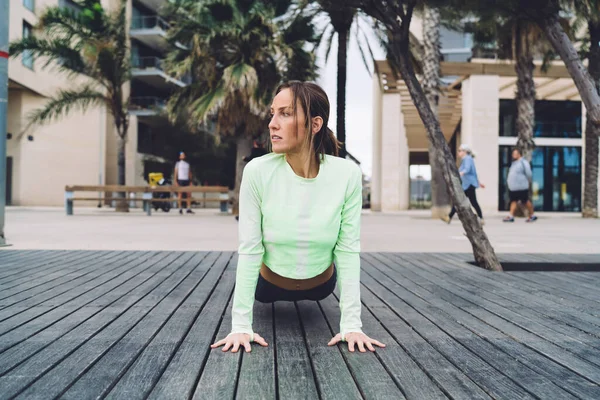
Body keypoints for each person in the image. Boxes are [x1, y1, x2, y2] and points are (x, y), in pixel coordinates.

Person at [211, 81, 385, 354]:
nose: (272, 124)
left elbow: (348, 249)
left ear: (315, 125)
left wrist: (352, 325)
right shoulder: (257, 171)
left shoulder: (346, 174)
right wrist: (240, 326)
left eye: (286, 113)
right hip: (266, 285)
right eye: (272, 113)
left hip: (321, 285)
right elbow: (250, 249)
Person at [442, 144, 485, 225]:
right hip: (468, 184)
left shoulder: (468, 159)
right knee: (470, 201)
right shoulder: (467, 159)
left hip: (468, 185)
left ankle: (449, 217)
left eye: (460, 150)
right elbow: (474, 173)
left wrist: (461, 173)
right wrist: (479, 183)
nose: (458, 152)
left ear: (465, 151)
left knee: (463, 201)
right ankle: (481, 218)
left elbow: (467, 169)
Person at [235, 139, 269, 221]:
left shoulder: (254, 151)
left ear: (255, 144)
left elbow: (251, 158)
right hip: (263, 176)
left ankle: (243, 216)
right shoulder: (265, 152)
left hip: (254, 176)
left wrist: (244, 158)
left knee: (250, 198)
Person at [504, 148, 537, 222]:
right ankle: (511, 216)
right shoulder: (514, 163)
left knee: (525, 201)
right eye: (513, 154)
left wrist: (528, 182)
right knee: (513, 201)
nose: (513, 155)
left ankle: (532, 215)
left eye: (515, 153)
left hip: (521, 186)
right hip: (514, 187)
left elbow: (528, 173)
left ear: (519, 154)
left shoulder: (523, 162)